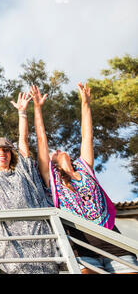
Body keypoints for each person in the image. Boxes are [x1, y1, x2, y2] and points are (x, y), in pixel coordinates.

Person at [31, 83, 138, 274]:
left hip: (114, 241)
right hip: (81, 245)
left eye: (58, 151)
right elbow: (41, 141)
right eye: (54, 153)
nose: (57, 150)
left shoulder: (84, 169)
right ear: (52, 162)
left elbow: (87, 136)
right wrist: (37, 108)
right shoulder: (53, 180)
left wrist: (85, 103)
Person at [0, 97, 59, 274]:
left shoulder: (23, 171)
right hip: (8, 237)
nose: (2, 153)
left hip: (36, 233)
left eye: (6, 150)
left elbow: (23, 141)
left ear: (10, 154)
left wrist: (22, 113)